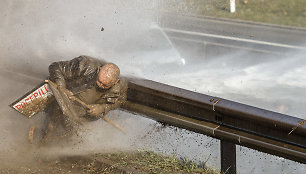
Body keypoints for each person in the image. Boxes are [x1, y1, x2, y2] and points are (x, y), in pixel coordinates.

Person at [42, 55, 128, 143]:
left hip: (83, 112)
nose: (100, 85)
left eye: (105, 85)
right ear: (98, 70)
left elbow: (119, 102)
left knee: (69, 130)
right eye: (99, 81)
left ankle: (64, 141)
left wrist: (102, 108)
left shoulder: (121, 86)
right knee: (52, 124)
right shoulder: (84, 66)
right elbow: (55, 67)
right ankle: (46, 136)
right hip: (63, 97)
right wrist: (61, 87)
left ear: (115, 82)